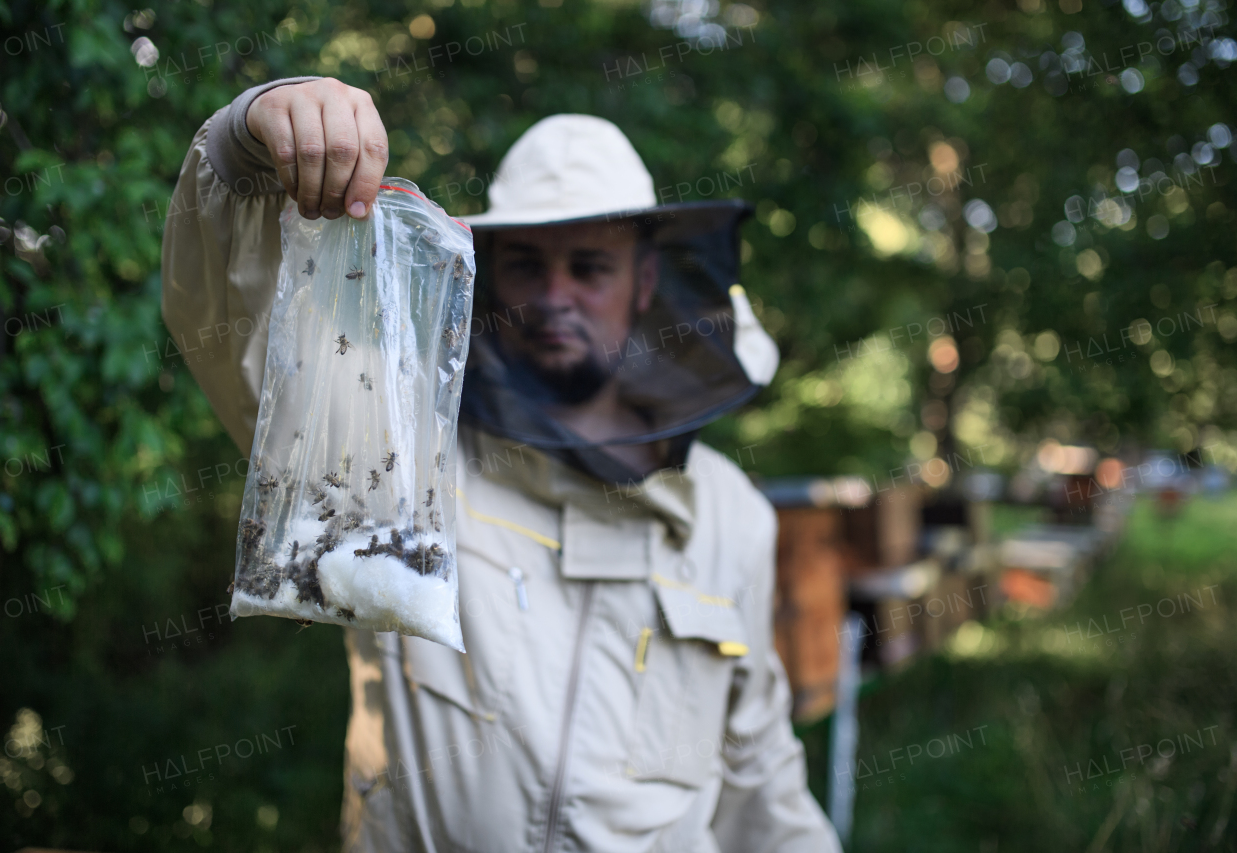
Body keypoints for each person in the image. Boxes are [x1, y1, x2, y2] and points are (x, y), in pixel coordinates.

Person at [162, 76, 840, 853]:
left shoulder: (731, 515)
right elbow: (233, 327)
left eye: (590, 267)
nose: (556, 296)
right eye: (528, 266)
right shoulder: (406, 449)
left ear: (644, 281)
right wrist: (248, 139)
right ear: (488, 276)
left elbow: (758, 777)